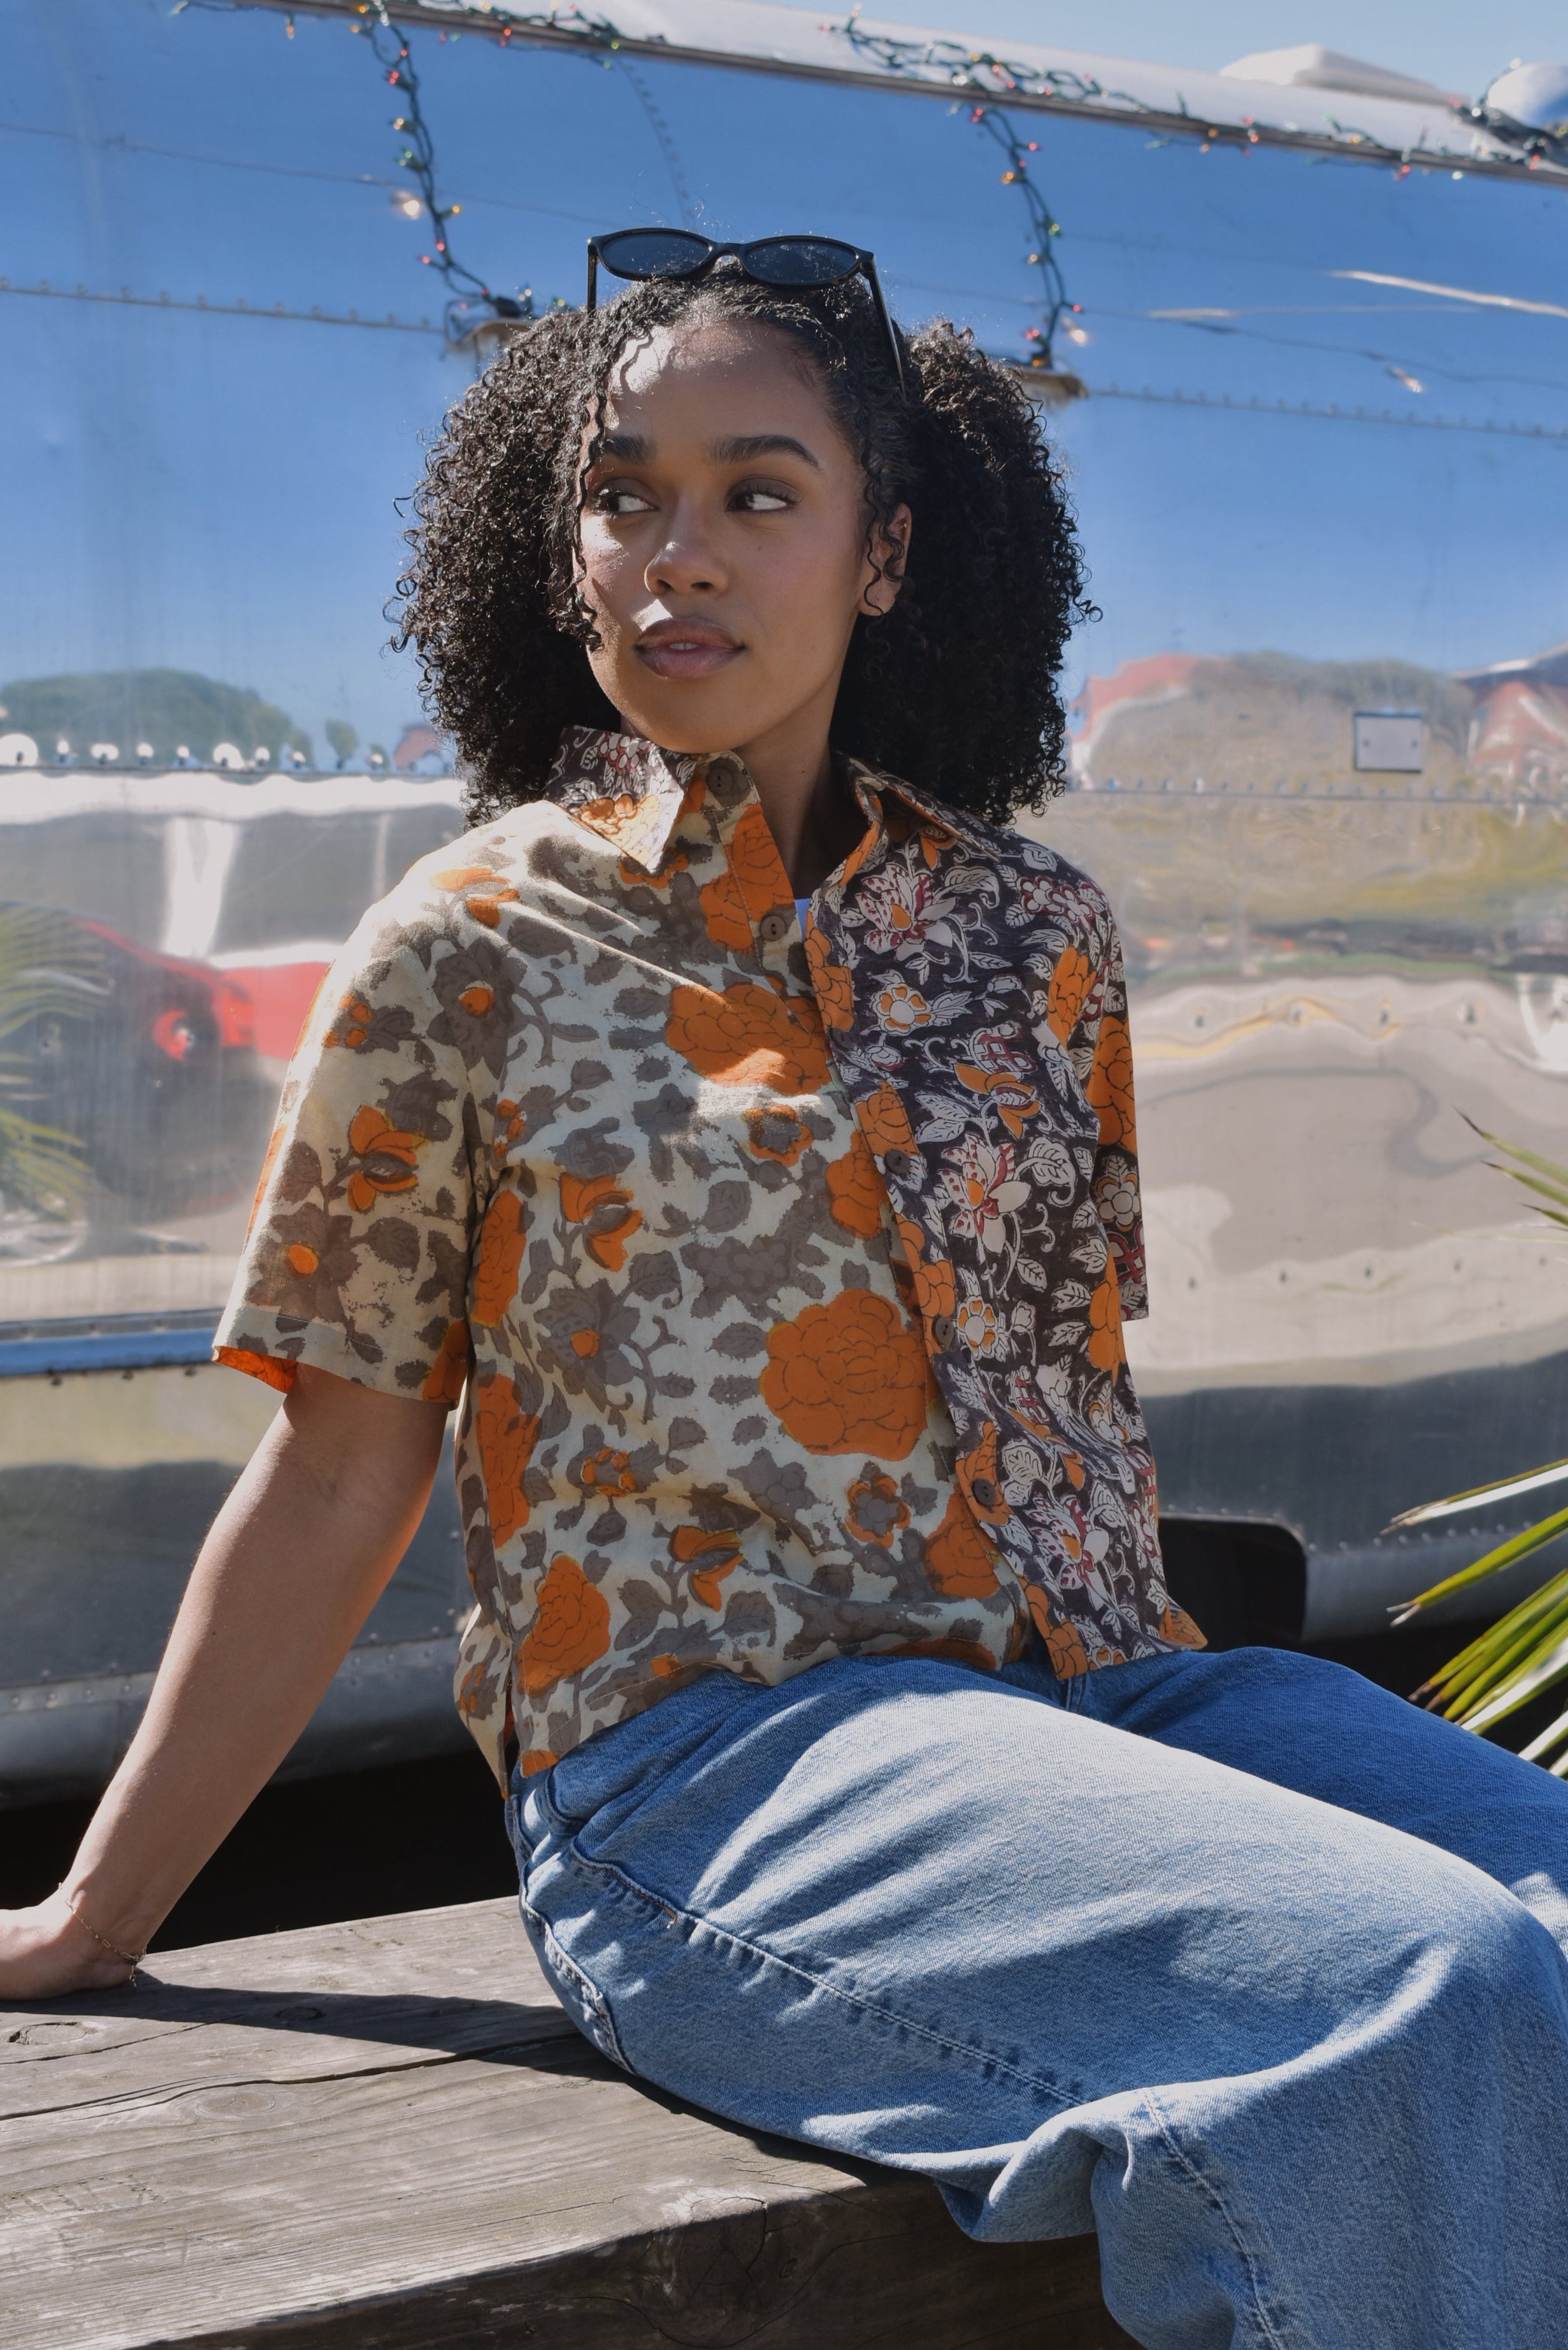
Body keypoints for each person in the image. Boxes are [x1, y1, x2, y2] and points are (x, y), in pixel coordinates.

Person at [5, 243, 1566, 2350]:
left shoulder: (1036, 936)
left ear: (887, 550)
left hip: (1111, 1695)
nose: (680, 555)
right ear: (562, 552)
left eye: (758, 493)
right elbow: (337, 1463)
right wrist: (97, 1916)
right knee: (1411, 1983)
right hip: (715, 1766)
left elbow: (1069, 1407)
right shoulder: (473, 944)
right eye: (624, 493)